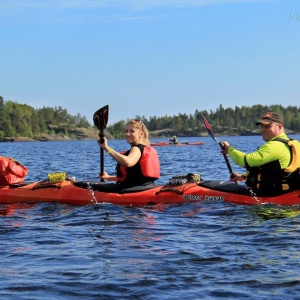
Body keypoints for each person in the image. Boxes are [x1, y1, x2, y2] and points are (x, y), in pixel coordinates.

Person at [222, 112, 298, 196]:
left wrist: (229, 149)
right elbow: (276, 172)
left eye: (267, 126)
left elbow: (245, 161)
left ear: (279, 127)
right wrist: (243, 176)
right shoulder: (291, 144)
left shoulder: (275, 146)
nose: (262, 130)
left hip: (270, 203)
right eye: (262, 126)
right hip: (287, 195)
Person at [98, 119, 160, 190]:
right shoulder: (143, 149)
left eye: (132, 131)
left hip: (135, 191)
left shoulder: (136, 149)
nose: (127, 134)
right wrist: (108, 177)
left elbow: (128, 162)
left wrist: (106, 148)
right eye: (126, 131)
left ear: (141, 134)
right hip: (146, 187)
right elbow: (131, 178)